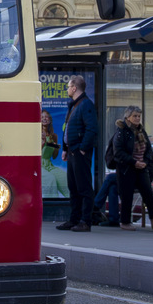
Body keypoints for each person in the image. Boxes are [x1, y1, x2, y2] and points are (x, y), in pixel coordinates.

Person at [56, 76, 98, 231]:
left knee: (84, 188)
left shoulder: (85, 104)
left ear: (74, 88)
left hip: (79, 152)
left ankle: (85, 221)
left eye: (68, 86)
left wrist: (82, 148)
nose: (67, 89)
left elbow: (92, 128)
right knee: (73, 187)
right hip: (72, 152)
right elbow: (68, 129)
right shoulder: (74, 105)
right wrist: (66, 149)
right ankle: (74, 219)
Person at [112, 106, 153, 230]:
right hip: (127, 168)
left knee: (148, 193)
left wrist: (145, 162)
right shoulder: (122, 131)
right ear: (127, 117)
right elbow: (118, 152)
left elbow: (148, 150)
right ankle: (125, 222)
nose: (137, 118)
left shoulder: (141, 131)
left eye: (139, 116)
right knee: (127, 195)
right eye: (134, 116)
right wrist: (134, 162)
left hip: (141, 167)